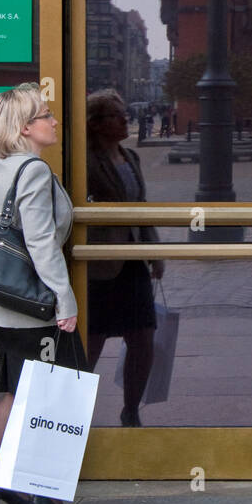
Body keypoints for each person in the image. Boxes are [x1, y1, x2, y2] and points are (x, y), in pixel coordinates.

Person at [0, 82, 85, 504]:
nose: (54, 121)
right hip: (31, 306)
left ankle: (5, 482)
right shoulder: (35, 172)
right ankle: (46, 495)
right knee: (51, 397)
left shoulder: (6, 166)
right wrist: (65, 300)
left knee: (15, 391)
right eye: (45, 116)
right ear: (25, 127)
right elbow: (40, 241)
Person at [85, 90, 164, 427]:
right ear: (97, 124)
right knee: (92, 342)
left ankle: (131, 410)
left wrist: (153, 252)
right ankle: (70, 415)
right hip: (101, 262)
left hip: (132, 259)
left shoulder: (131, 157)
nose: (124, 119)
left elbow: (140, 207)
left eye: (123, 113)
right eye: (115, 115)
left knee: (144, 336)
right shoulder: (85, 161)